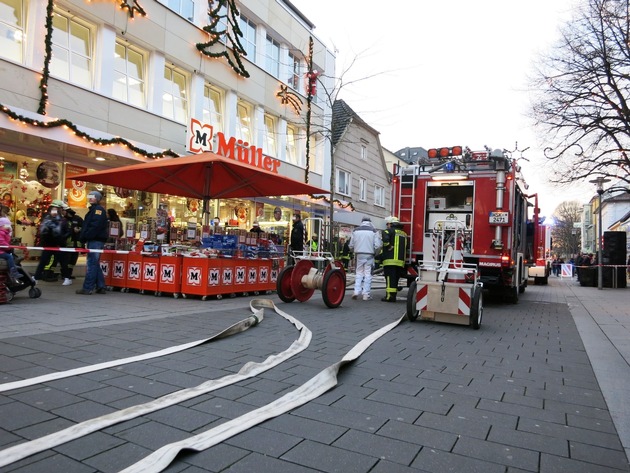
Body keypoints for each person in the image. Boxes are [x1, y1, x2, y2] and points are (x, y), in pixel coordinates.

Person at [76, 191, 109, 295]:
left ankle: (87, 288)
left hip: (95, 240)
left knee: (91, 264)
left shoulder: (97, 210)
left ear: (98, 199)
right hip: (95, 239)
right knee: (94, 263)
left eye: (93, 197)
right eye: (89, 196)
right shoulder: (95, 210)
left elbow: (95, 226)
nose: (90, 198)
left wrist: (86, 236)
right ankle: (100, 286)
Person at [34, 200, 72, 285]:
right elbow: (43, 232)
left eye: (56, 210)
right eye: (53, 210)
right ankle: (36, 277)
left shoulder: (63, 221)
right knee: (43, 262)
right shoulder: (47, 220)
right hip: (48, 244)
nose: (54, 212)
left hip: (59, 245)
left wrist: (62, 238)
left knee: (63, 262)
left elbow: (68, 231)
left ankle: (67, 278)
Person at [349, 216, 382, 301]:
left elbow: (351, 245)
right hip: (369, 255)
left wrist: (354, 251)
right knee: (368, 274)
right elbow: (378, 245)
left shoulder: (356, 230)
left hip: (358, 254)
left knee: (359, 273)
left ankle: (356, 291)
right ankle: (366, 294)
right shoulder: (374, 231)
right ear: (370, 222)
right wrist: (375, 253)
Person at [381, 216, 408, 302]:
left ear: (390, 224)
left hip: (390, 260)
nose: (387, 226)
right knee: (395, 279)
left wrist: (388, 246)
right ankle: (393, 296)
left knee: (389, 279)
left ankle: (389, 297)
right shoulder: (404, 234)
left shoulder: (388, 231)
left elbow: (385, 238)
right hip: (400, 262)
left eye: (388, 224)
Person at [0, 205, 20, 282]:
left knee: (11, 255)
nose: (8, 227)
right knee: (9, 257)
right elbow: (2, 243)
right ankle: (13, 271)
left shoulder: (5, 232)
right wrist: (8, 247)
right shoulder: (1, 233)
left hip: (3, 249)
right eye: (7, 225)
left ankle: (14, 268)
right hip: (1, 251)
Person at [64, 206, 83, 279]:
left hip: (76, 242)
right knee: (67, 259)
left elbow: (83, 226)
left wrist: (79, 229)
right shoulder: (64, 220)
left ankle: (69, 274)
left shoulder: (77, 219)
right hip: (67, 243)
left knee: (73, 259)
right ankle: (65, 274)